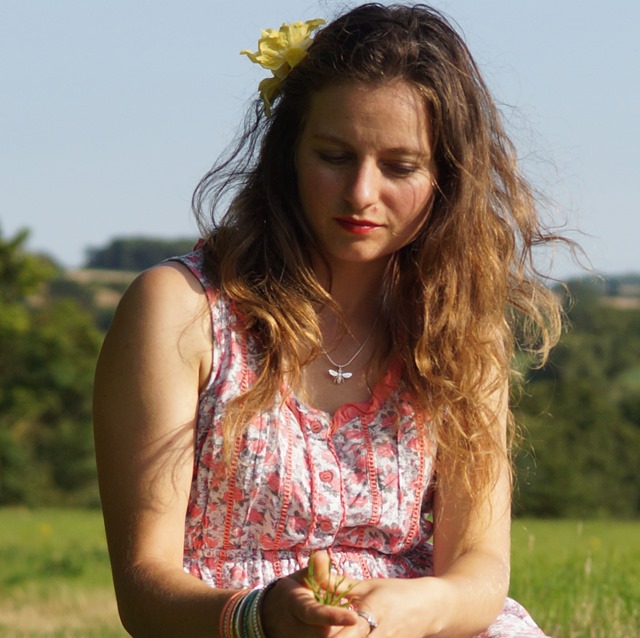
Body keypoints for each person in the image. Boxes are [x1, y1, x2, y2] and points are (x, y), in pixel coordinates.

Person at [93, 4, 567, 637]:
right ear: (289, 151)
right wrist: (260, 617)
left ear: (446, 179)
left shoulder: (458, 332)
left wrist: (413, 610)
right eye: (335, 155)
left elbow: (479, 567)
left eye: (400, 167)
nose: (362, 193)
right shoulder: (180, 310)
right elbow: (144, 588)